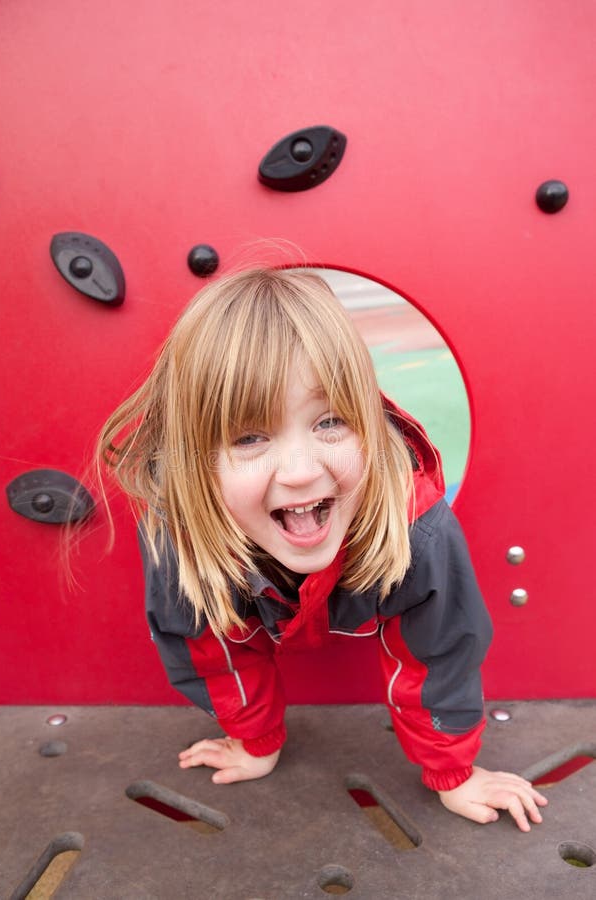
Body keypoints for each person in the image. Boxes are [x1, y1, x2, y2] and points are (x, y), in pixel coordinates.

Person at [99, 267, 547, 832]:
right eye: (249, 437)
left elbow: (438, 652)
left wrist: (453, 771)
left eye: (331, 422)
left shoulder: (415, 524)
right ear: (195, 461)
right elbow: (208, 648)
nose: (302, 470)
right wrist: (254, 738)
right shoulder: (179, 532)